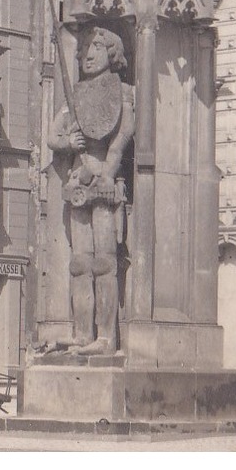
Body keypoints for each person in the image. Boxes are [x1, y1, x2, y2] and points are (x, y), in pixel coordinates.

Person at [47, 26, 135, 356]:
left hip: (105, 181)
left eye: (97, 47)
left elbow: (124, 134)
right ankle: (82, 334)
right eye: (85, 48)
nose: (88, 54)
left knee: (104, 263)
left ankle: (106, 338)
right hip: (76, 181)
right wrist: (68, 142)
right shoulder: (76, 92)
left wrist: (108, 172)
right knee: (79, 263)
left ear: (112, 53)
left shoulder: (122, 90)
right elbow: (53, 136)